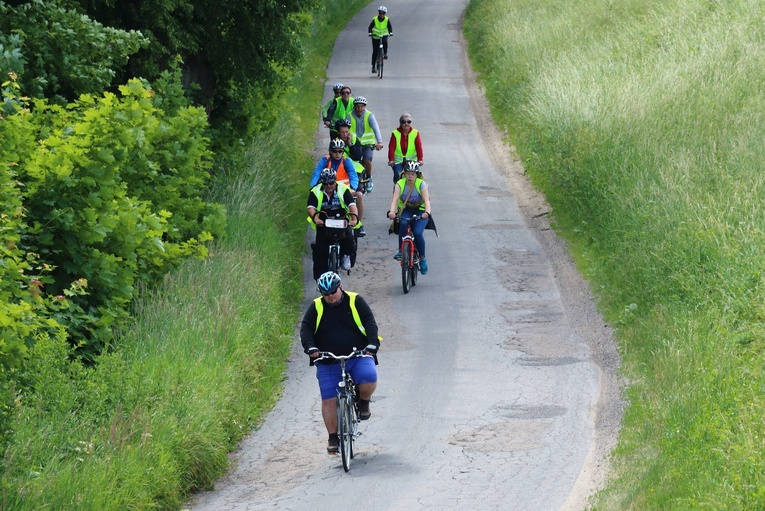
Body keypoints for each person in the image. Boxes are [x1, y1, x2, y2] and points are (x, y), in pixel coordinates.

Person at [301, 271, 380, 454]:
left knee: (369, 377)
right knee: (328, 399)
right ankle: (333, 437)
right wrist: (310, 348)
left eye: (333, 292)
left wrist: (372, 344)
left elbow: (369, 322)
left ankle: (363, 402)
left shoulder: (355, 301)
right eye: (326, 293)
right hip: (328, 360)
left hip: (357, 354)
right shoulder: (316, 307)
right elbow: (306, 329)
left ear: (341, 287)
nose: (330, 296)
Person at [308, 169, 358, 278]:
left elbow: (352, 206)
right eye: (325, 184)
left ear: (335, 181)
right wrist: (316, 219)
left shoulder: (343, 189)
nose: (329, 186)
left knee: (349, 238)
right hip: (324, 222)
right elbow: (311, 208)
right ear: (322, 183)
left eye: (331, 183)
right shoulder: (315, 191)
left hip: (341, 220)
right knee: (320, 251)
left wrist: (353, 219)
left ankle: (346, 256)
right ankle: (319, 278)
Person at [387, 160, 432, 274]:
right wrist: (392, 212)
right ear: (404, 173)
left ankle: (422, 258)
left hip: (420, 210)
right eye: (408, 174)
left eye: (413, 174)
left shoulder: (420, 184)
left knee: (417, 232)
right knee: (402, 223)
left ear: (417, 175)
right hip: (406, 209)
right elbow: (395, 199)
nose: (410, 176)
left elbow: (426, 200)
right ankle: (401, 251)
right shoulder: (399, 184)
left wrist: (427, 212)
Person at [335, 119, 368, 237]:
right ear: (338, 133)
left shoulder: (354, 139)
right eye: (342, 132)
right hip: (340, 175)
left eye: (346, 132)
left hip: (355, 173)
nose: (345, 134)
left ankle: (359, 223)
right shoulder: (335, 143)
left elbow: (358, 156)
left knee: (358, 195)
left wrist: (350, 144)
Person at [349, 96, 383, 193]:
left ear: (365, 107)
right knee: (351, 163)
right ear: (354, 107)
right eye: (357, 106)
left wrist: (379, 142)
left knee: (367, 160)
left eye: (361, 106)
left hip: (367, 145)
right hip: (354, 144)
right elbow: (345, 129)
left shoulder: (369, 115)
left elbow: (376, 129)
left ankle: (368, 178)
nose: (359, 109)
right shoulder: (349, 115)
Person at [388, 112, 424, 183]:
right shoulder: (395, 133)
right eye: (404, 122)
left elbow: (419, 147)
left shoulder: (415, 133)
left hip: (412, 161)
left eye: (409, 122)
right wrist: (391, 159)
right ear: (400, 123)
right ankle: (397, 190)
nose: (406, 123)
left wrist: (420, 159)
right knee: (398, 176)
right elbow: (391, 147)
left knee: (414, 178)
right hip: (398, 161)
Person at [368, 6, 392, 73]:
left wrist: (391, 32)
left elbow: (389, 27)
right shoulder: (375, 19)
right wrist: (370, 33)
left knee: (385, 42)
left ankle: (385, 53)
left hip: (384, 35)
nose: (382, 15)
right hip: (376, 36)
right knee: (375, 51)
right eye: (380, 13)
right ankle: (373, 66)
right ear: (379, 13)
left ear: (385, 14)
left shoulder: (387, 19)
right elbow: (370, 27)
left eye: (383, 13)